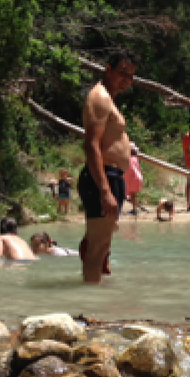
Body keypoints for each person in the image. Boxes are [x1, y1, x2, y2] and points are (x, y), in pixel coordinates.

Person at [77, 51, 136, 283]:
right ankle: (88, 305)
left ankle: (93, 297)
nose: (127, 79)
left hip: (113, 176)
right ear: (108, 69)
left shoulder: (109, 98)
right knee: (97, 247)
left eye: (131, 75)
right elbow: (91, 145)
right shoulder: (99, 97)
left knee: (102, 245)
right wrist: (104, 190)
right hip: (102, 177)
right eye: (122, 72)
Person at [125, 149, 144, 217]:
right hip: (137, 177)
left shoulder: (129, 159)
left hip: (133, 178)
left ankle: (135, 209)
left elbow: (128, 170)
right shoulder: (135, 159)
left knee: (132, 195)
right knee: (133, 195)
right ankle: (134, 209)